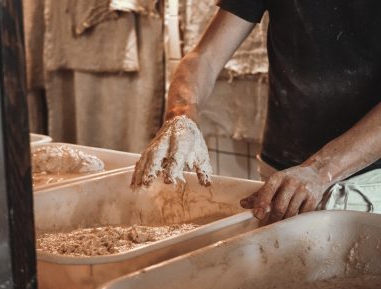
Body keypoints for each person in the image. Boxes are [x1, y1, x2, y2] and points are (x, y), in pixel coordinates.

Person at [132, 0, 381, 223]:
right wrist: (180, 117)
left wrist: (319, 169)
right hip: (281, 178)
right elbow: (205, 57)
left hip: (368, 185)